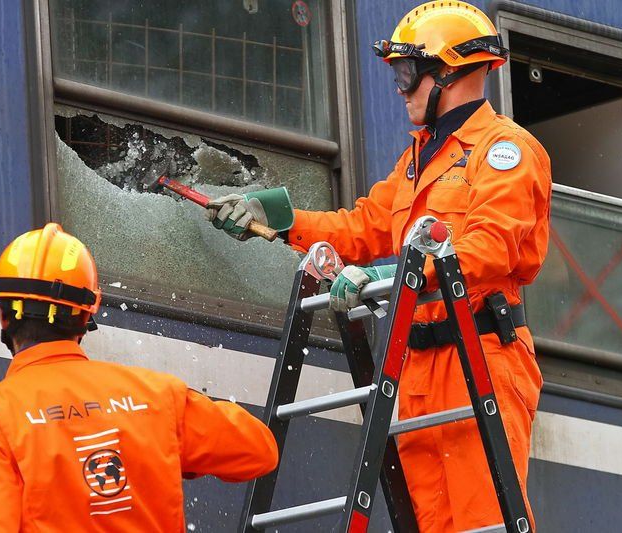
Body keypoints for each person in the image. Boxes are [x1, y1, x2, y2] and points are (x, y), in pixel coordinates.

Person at [205, 2, 551, 531]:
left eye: (407, 72)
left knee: (482, 520)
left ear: (448, 72)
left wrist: (398, 275)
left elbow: (490, 248)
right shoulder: (418, 159)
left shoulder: (506, 151)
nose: (399, 87)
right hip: (416, 366)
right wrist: (278, 218)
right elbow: (364, 226)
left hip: (478, 356)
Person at [0, 223, 278, 532]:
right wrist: (166, 439)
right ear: (86, 316)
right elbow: (260, 451)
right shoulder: (158, 396)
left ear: (3, 316)